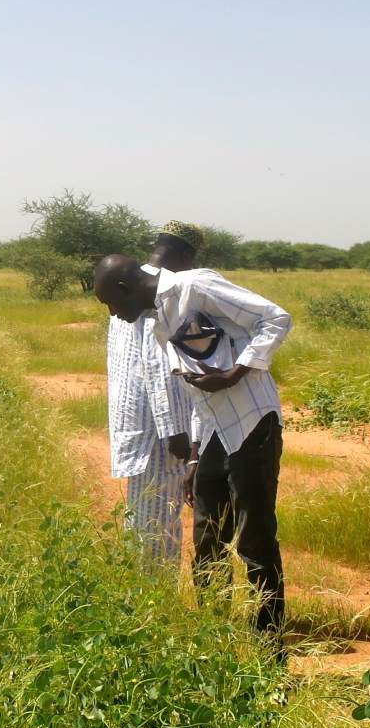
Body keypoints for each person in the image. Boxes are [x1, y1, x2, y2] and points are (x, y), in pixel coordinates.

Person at [92, 254, 292, 641]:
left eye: (111, 304)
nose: (114, 315)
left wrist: (238, 371)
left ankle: (270, 648)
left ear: (124, 288)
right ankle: (211, 637)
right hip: (214, 430)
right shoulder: (159, 318)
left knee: (255, 541)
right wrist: (197, 454)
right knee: (208, 539)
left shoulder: (195, 287)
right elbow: (198, 389)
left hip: (252, 423)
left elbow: (276, 318)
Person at [106, 221, 200, 564]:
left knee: (142, 513)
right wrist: (177, 432)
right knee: (158, 521)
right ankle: (154, 602)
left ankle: (142, 593)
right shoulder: (155, 290)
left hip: (131, 420)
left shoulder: (123, 279)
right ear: (186, 255)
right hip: (160, 432)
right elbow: (157, 366)